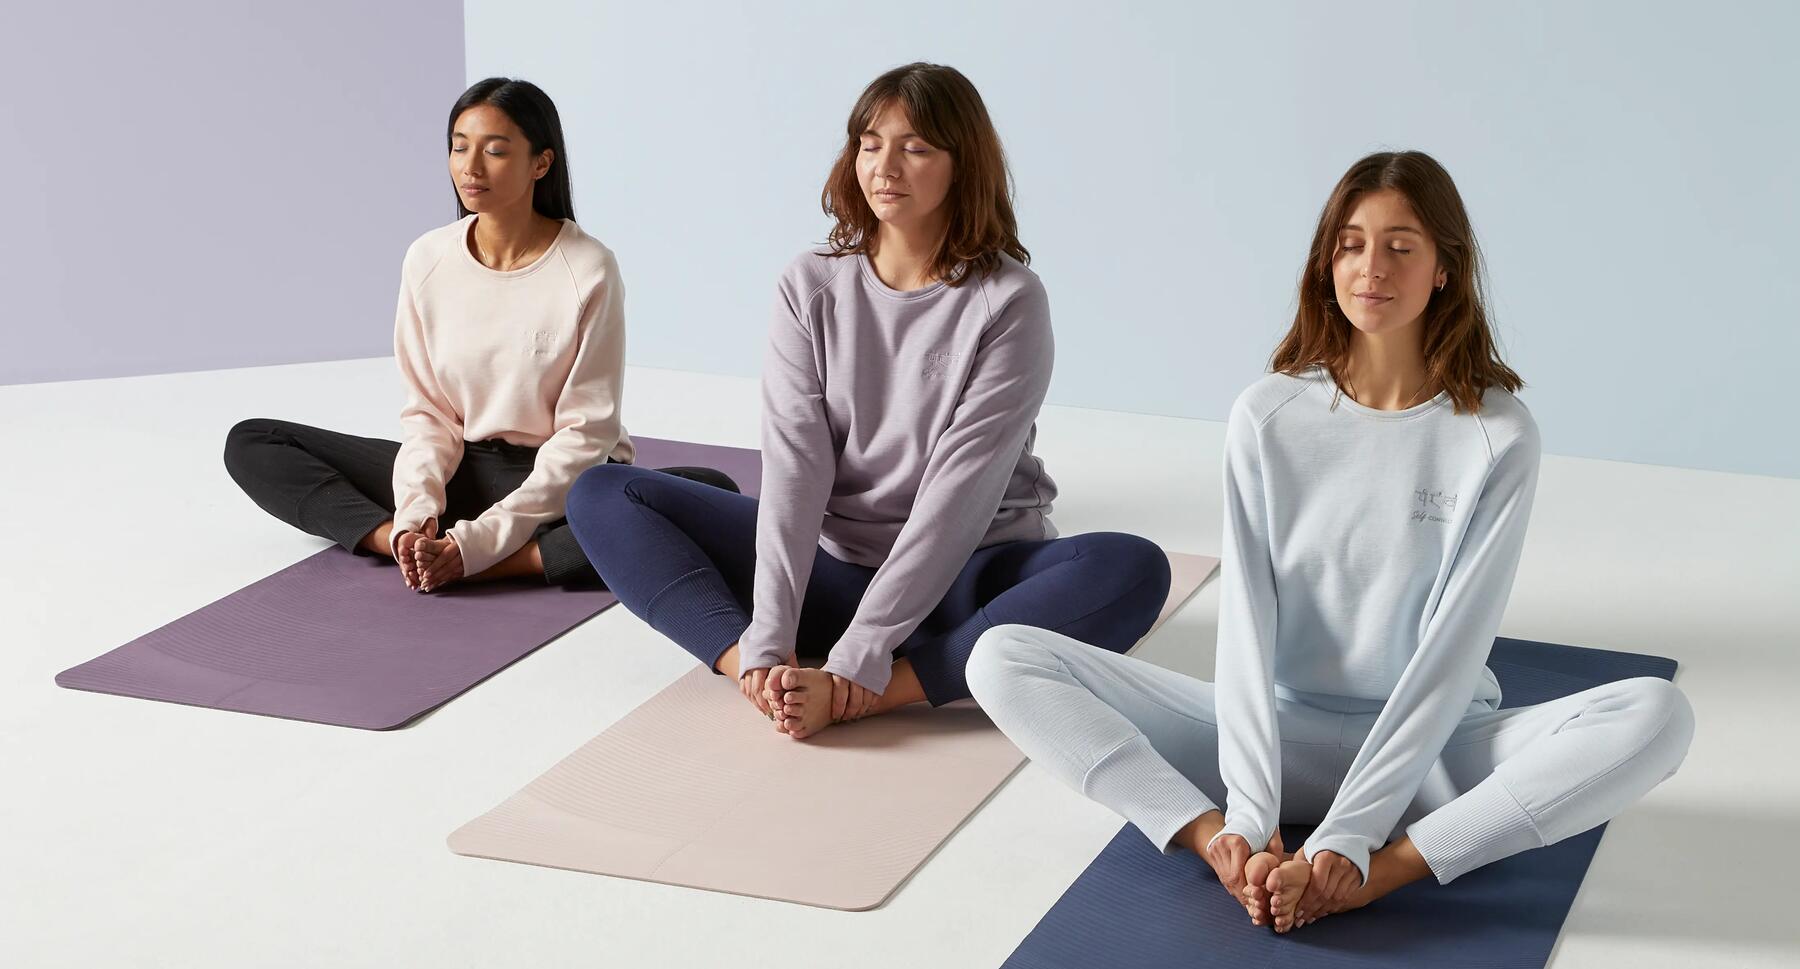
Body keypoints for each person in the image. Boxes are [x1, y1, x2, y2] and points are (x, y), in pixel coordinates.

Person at [967, 150, 1693, 933]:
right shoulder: (1270, 414)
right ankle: (1207, 840)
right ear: (1327, 260)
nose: (1371, 267)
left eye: (1400, 245)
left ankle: (1395, 870)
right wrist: (1244, 815)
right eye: (1350, 244)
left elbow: (1453, 652)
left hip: (1435, 752)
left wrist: (1357, 842)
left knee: (1659, 714)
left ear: (1444, 267)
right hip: (1273, 736)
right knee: (1001, 656)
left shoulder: (1496, 434)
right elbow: (1246, 626)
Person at [566, 63, 1171, 739]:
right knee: (604, 494)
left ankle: (886, 692)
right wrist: (767, 637)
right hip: (834, 573)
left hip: (967, 578)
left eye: (915, 147)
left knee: (1132, 567)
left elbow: (958, 497)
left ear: (962, 165)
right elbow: (797, 468)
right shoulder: (810, 283)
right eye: (869, 141)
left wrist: (860, 663)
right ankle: (755, 677)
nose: (885, 165)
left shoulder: (1008, 300)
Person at [224, 78, 734, 591]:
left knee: (711, 490)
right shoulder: (428, 258)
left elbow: (584, 436)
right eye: (458, 147)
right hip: (463, 469)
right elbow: (429, 414)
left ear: (541, 162)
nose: (470, 167)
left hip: (564, 480)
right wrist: (415, 515)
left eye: (494, 151)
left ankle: (499, 561)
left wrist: (481, 544)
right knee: (254, 441)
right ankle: (406, 548)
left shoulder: (589, 269)